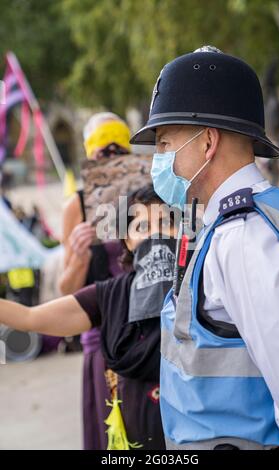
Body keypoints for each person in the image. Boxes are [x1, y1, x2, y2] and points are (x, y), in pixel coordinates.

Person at [130, 45, 279, 450]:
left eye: (164, 143)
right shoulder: (260, 216)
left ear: (208, 142)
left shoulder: (243, 238)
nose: (158, 160)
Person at [0, 185, 177, 450]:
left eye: (165, 222)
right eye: (141, 227)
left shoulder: (205, 283)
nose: (156, 234)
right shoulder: (109, 295)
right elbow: (29, 317)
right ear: (126, 241)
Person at [59, 112, 130, 449]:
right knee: (111, 435)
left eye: (121, 149)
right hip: (100, 335)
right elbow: (65, 290)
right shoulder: (76, 206)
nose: (112, 156)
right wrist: (79, 256)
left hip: (143, 333)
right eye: (104, 150)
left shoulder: (148, 198)